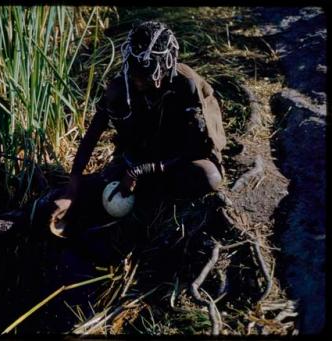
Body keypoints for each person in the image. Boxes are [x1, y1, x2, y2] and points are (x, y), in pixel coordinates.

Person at [48, 21, 226, 238]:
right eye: (136, 76)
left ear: (167, 65)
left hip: (176, 160)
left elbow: (198, 147)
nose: (142, 83)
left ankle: (152, 197)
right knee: (101, 187)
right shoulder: (121, 87)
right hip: (136, 158)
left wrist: (144, 171)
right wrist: (72, 187)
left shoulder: (186, 84)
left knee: (210, 177)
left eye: (151, 76)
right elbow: (92, 134)